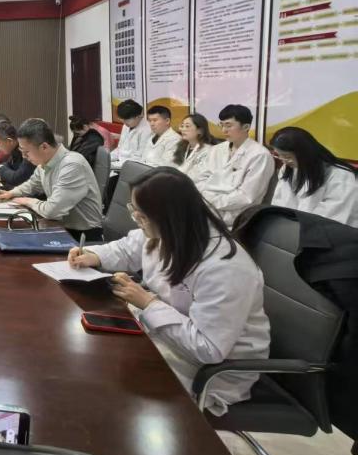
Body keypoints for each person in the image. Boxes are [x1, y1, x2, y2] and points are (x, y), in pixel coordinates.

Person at [68, 168, 270, 415]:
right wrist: (94, 255)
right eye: (134, 210)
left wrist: (148, 303)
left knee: (109, 387)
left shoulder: (225, 268)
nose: (136, 220)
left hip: (211, 369)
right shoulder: (167, 232)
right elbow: (126, 249)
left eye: (141, 215)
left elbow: (209, 349)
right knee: (92, 360)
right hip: (165, 339)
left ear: (168, 217)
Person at [0, 119, 104, 240]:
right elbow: (33, 184)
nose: (24, 157)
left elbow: (52, 211)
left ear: (44, 147)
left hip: (82, 236)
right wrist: (11, 193)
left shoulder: (72, 165)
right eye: (21, 151)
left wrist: (28, 201)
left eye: (26, 152)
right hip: (60, 226)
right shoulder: (45, 162)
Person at [197, 104, 275, 225]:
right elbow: (201, 177)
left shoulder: (260, 155)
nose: (224, 130)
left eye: (229, 125)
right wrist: (206, 199)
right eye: (221, 125)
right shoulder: (216, 150)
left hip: (237, 213)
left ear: (246, 127)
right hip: (208, 204)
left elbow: (246, 197)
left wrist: (211, 200)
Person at [269, 127, 358, 226]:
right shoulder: (290, 168)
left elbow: (329, 221)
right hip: (296, 228)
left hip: (330, 231)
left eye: (287, 156)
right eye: (279, 155)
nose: (283, 161)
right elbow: (280, 203)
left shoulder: (342, 177)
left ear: (305, 153)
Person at [0, 120, 34, 190]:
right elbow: (8, 165)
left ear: (9, 141)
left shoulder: (26, 151)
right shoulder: (14, 149)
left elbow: (17, 178)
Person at [172, 113, 218, 184]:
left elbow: (197, 177)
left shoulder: (208, 151)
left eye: (187, 126)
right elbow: (172, 166)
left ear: (200, 131)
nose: (183, 129)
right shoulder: (182, 147)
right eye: (182, 126)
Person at [109, 99, 152, 171]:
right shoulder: (126, 126)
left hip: (133, 168)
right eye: (122, 119)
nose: (124, 122)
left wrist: (115, 165)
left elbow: (139, 158)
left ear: (138, 116)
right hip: (119, 164)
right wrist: (108, 158)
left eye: (127, 119)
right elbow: (120, 148)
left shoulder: (147, 130)